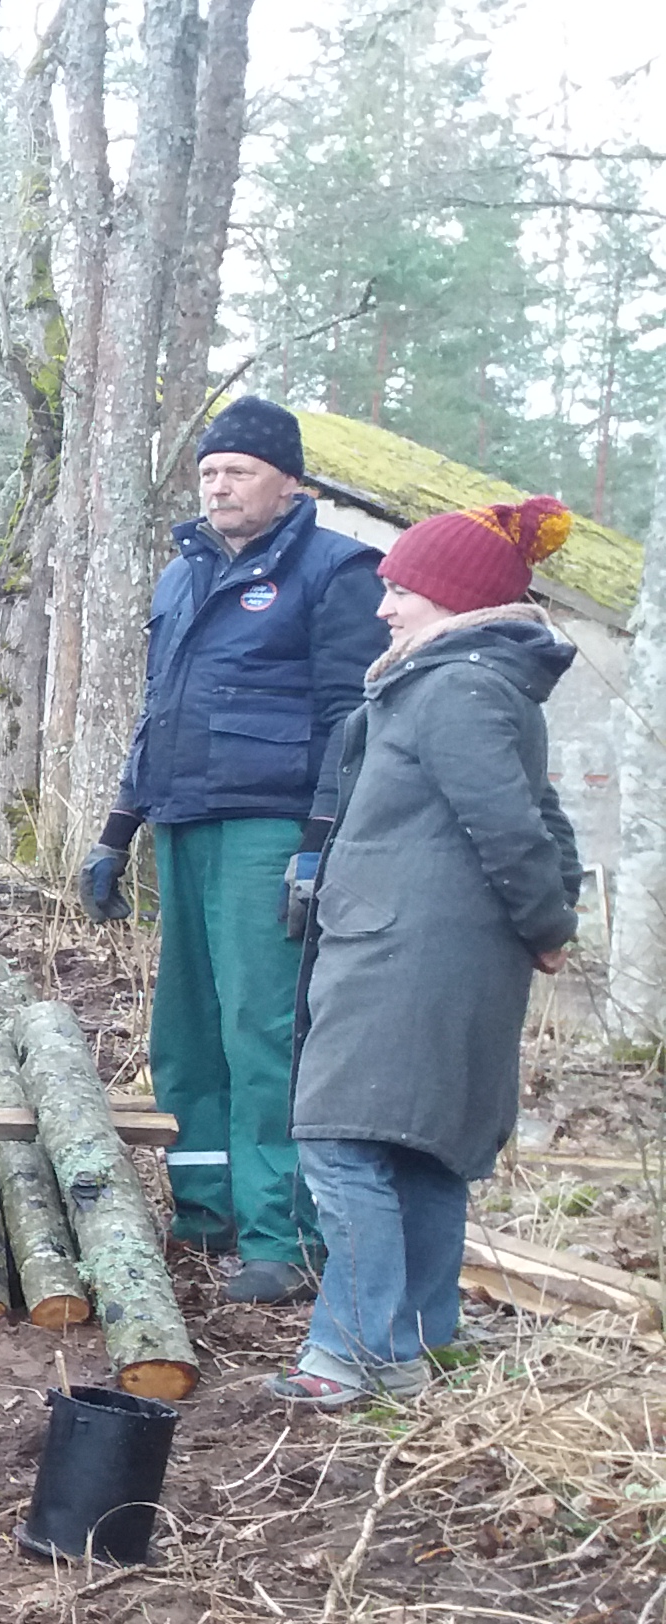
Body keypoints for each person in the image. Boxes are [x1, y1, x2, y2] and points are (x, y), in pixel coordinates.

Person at [272, 498, 585, 1411]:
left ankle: (364, 1354)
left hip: (406, 958)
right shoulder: (463, 681)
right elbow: (547, 817)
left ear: (453, 597)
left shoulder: (456, 687)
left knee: (340, 1146)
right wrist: (547, 920)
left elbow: (515, 824)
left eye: (401, 588)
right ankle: (411, 1342)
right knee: (416, 1154)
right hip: (413, 951)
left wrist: (546, 925)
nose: (385, 607)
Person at [74, 395, 387, 1305]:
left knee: (264, 1033)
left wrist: (318, 844)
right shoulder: (183, 577)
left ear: (289, 483)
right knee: (186, 1035)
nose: (220, 486)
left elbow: (348, 720)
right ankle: (205, 1211)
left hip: (270, 828)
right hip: (182, 823)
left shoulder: (335, 573)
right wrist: (115, 830)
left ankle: (280, 1237)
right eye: (209, 472)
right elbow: (155, 717)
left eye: (239, 471)